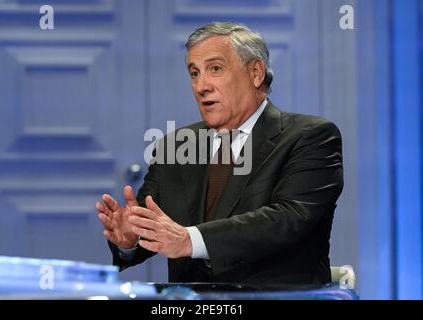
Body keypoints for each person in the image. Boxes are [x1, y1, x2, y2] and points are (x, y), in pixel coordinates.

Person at [95, 22, 343, 286]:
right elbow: (158, 230)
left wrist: (189, 240)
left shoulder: (309, 137)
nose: (201, 85)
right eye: (194, 73)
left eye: (215, 69)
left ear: (256, 72)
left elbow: (287, 219)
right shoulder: (175, 147)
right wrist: (130, 239)